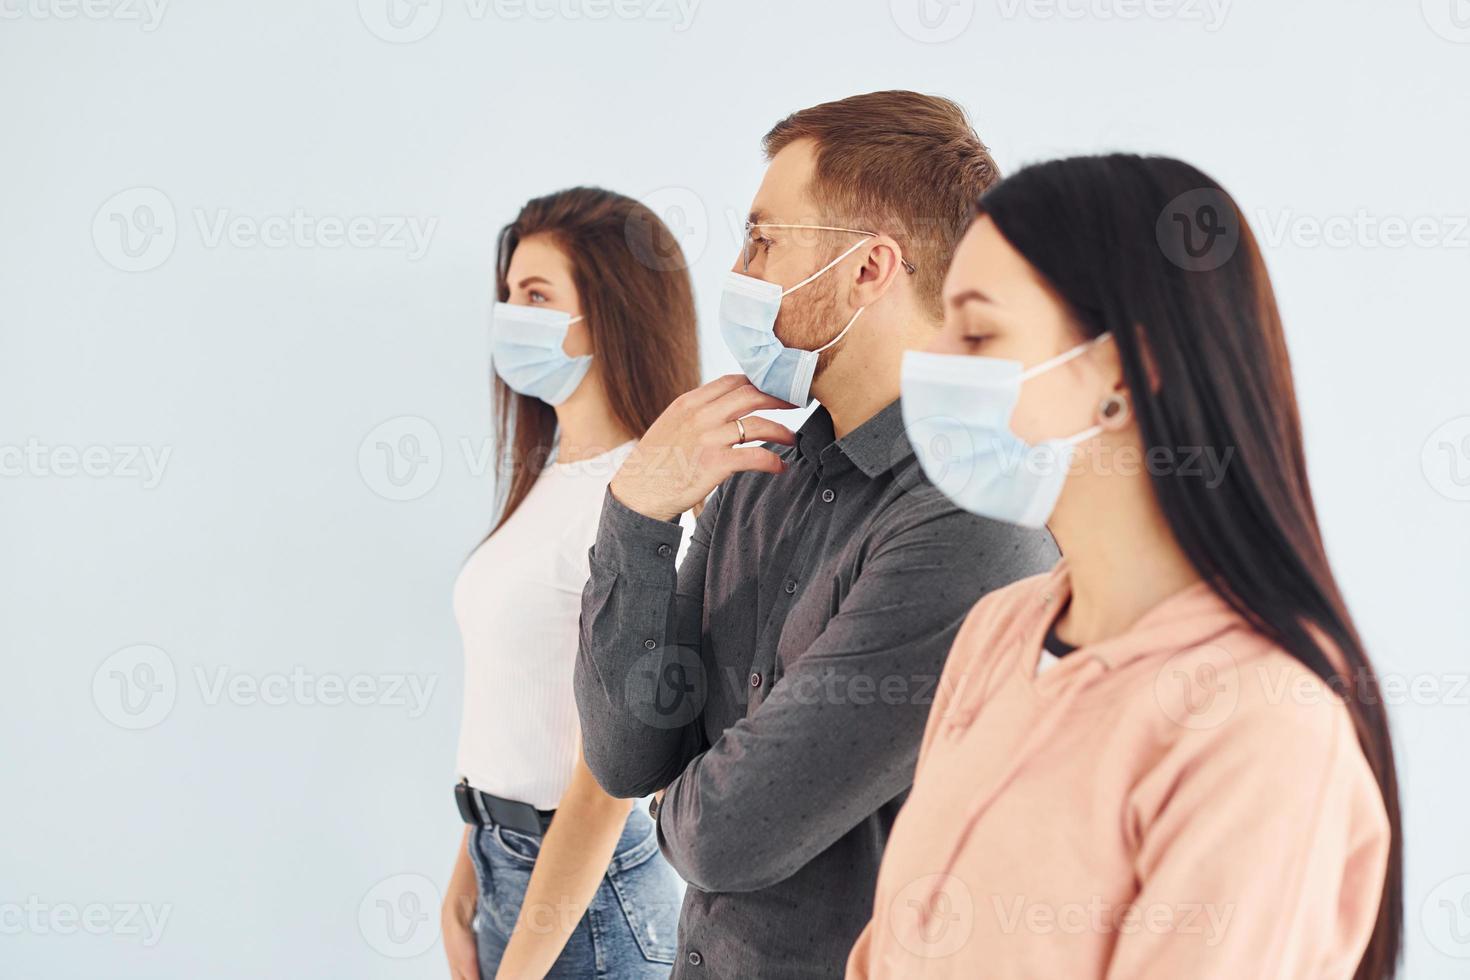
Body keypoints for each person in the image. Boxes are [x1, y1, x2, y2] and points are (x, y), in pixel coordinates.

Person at [847, 154, 1401, 979]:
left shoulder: (1259, 724)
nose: (936, 362)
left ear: (1125, 371)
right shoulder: (1001, 631)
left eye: (980, 331)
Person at [572, 91, 1060, 979]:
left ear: (871, 268)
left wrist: (679, 801)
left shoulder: (973, 517)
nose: (742, 270)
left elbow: (731, 838)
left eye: (763, 240)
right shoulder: (766, 473)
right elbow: (628, 751)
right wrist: (638, 513)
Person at [442, 187, 697, 980]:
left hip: (589, 897)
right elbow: (513, 703)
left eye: (537, 295)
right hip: (507, 869)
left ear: (610, 312)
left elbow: (606, 780)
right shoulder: (551, 480)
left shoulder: (640, 501)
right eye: (509, 294)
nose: (511, 315)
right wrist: (463, 886)